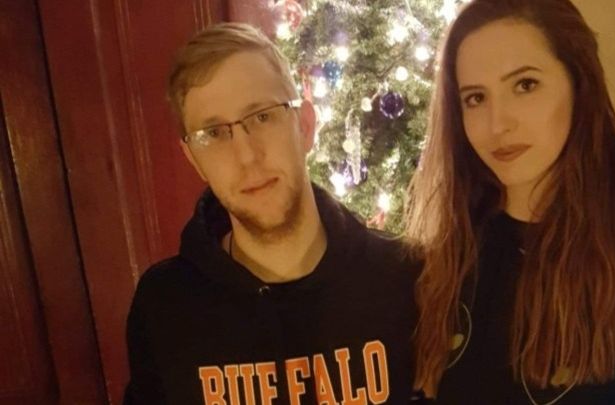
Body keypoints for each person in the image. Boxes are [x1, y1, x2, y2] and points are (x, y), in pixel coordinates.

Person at [404, 0, 615, 404]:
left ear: (579, 85)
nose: (498, 124)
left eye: (525, 85)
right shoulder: (445, 257)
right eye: (475, 98)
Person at [123, 22, 418, 405]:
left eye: (262, 116)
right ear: (193, 158)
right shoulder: (164, 307)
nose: (247, 155)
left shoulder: (408, 279)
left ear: (305, 125)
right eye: (214, 133)